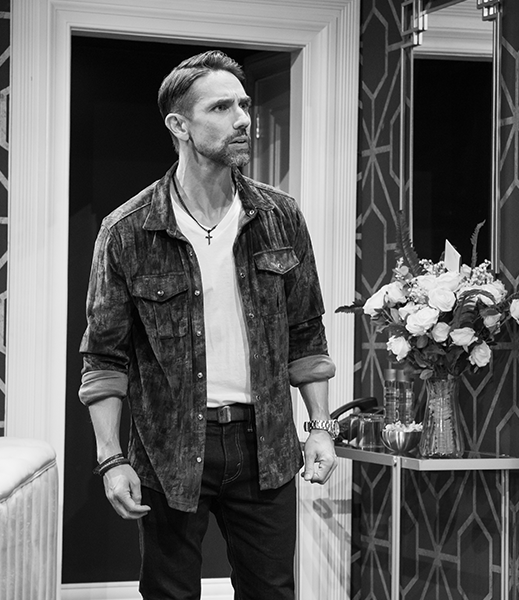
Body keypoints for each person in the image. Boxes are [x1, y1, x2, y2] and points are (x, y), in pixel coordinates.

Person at [77, 50, 339, 600]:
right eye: (221, 107)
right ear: (180, 125)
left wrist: (320, 427)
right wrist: (110, 458)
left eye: (244, 105)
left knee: (271, 591)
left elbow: (306, 333)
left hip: (265, 444)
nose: (242, 119)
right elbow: (104, 358)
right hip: (169, 446)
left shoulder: (280, 216)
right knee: (169, 593)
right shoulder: (128, 230)